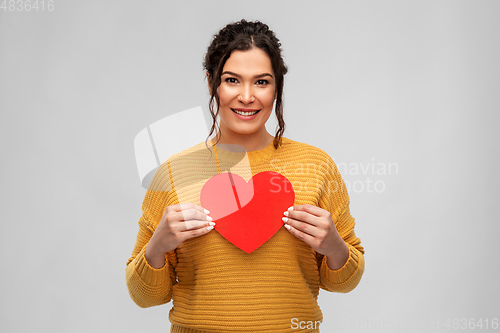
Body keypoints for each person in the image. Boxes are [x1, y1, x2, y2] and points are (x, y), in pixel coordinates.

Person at [126, 19, 365, 333]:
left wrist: (335, 247)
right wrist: (157, 247)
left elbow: (344, 283)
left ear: (277, 86)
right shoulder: (174, 172)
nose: (247, 96)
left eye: (262, 82)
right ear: (211, 82)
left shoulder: (316, 165)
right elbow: (144, 296)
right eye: (232, 80)